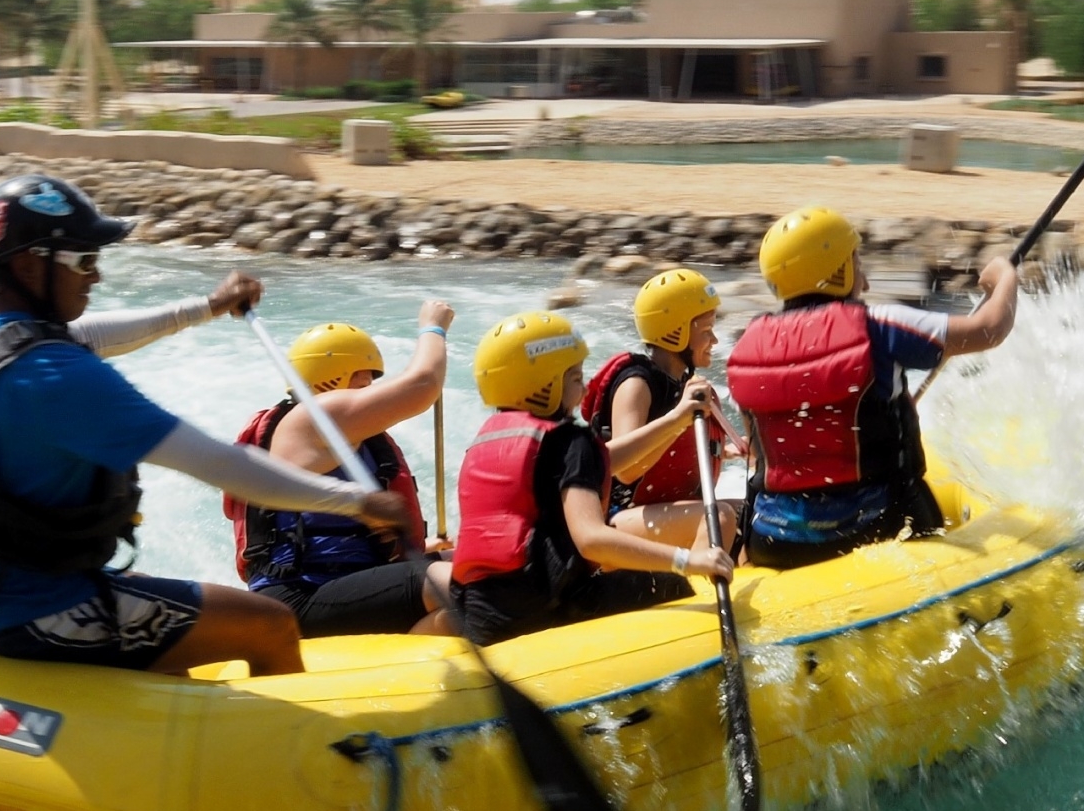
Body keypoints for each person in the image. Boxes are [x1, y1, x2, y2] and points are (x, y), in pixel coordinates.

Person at [0, 173, 410, 677]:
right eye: (83, 260)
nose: (96, 274)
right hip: (34, 612)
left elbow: (88, 334)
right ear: (30, 266)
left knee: (176, 603)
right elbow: (224, 465)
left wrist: (205, 307)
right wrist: (358, 502)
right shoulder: (58, 378)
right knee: (267, 623)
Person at [412, 311, 735, 646]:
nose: (583, 389)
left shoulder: (488, 440)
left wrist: (677, 419)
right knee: (673, 585)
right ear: (547, 382)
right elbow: (592, 540)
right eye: (577, 377)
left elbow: (601, 462)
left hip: (481, 610)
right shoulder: (570, 441)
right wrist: (688, 561)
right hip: (545, 609)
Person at [726, 205, 1017, 570]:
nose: (863, 280)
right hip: (879, 527)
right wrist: (1004, 276)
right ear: (838, 270)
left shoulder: (746, 347)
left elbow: (760, 453)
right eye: (856, 262)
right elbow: (989, 328)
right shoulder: (880, 325)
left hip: (775, 542)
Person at [227, 304, 456, 636]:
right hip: (301, 594)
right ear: (334, 376)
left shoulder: (343, 437)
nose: (372, 386)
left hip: (338, 584)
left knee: (471, 565)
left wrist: (421, 545)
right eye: (364, 376)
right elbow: (424, 385)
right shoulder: (315, 417)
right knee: (460, 584)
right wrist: (433, 327)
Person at [580, 267, 740, 551]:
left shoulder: (682, 383)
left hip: (660, 513)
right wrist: (679, 418)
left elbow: (670, 454)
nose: (714, 341)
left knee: (752, 512)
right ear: (675, 333)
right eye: (706, 331)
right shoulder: (636, 384)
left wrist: (726, 451)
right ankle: (703, 587)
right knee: (720, 516)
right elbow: (626, 471)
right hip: (617, 522)